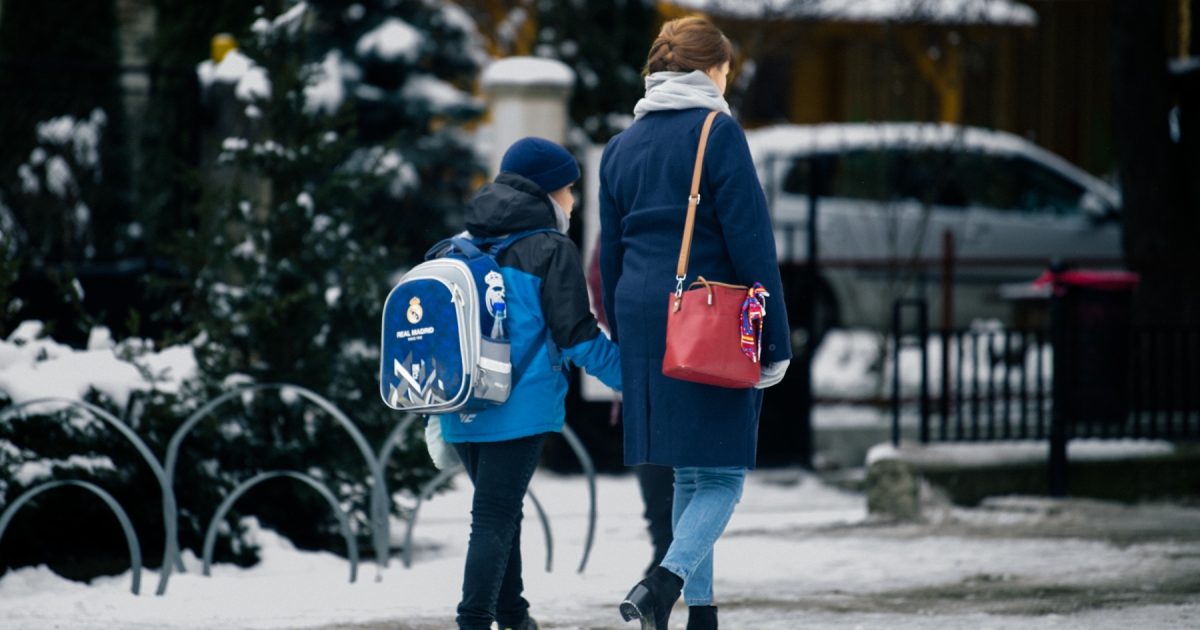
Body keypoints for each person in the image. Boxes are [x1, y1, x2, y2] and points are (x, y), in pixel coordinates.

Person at [598, 16, 792, 630]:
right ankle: (665, 580)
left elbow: (608, 257)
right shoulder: (719, 132)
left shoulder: (621, 145)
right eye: (727, 71)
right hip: (706, 318)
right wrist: (775, 342)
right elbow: (752, 246)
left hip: (641, 315)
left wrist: (623, 335)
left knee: (688, 470)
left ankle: (699, 615)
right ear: (711, 70)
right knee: (725, 475)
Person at [439, 137, 624, 630]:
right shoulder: (550, 248)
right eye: (568, 189)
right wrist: (635, 377)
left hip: (461, 405)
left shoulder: (463, 242)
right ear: (545, 193)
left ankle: (514, 616)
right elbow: (578, 338)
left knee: (501, 512)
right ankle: (474, 621)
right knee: (496, 515)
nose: (573, 200)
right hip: (516, 408)